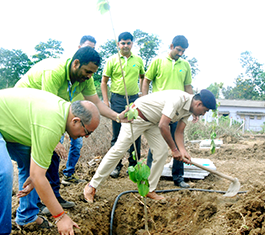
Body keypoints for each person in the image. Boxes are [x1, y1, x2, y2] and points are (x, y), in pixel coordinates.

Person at [14, 47, 128, 217]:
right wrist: (55, 142)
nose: (89, 76)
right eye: (87, 71)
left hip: (46, 115)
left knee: (50, 157)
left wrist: (117, 117)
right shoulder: (54, 72)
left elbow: (96, 102)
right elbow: (46, 108)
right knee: (32, 159)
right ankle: (32, 208)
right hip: (23, 110)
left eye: (92, 73)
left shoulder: (85, 79)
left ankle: (51, 198)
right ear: (76, 63)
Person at [0, 88, 106, 235]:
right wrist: (60, 216)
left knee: (31, 166)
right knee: (4, 173)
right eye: (87, 132)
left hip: (10, 125)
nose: (86, 137)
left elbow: (38, 169)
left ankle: (27, 217)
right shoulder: (52, 124)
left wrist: (35, 178)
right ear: (76, 121)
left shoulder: (62, 112)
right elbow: (38, 175)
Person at [84, 89, 216, 203]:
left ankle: (149, 189)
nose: (203, 114)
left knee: (161, 151)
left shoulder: (189, 110)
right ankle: (92, 186)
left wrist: (182, 151)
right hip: (137, 116)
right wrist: (174, 150)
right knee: (119, 150)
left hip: (153, 121)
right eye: (204, 111)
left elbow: (179, 132)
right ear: (198, 104)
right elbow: (163, 126)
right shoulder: (178, 99)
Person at [142, 35, 193, 188]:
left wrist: (193, 108)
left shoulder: (185, 65)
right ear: (171, 46)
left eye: (183, 51)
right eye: (178, 50)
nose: (180, 54)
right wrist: (144, 100)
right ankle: (149, 178)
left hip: (178, 111)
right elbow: (146, 80)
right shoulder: (158, 61)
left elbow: (188, 87)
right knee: (156, 145)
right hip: (160, 111)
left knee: (177, 143)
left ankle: (178, 178)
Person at [101, 32, 145, 178]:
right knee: (118, 132)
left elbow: (143, 77)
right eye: (123, 43)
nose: (125, 45)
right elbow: (104, 81)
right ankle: (116, 165)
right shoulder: (112, 60)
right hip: (117, 100)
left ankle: (134, 165)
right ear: (118, 44)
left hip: (134, 100)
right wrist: (106, 101)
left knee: (135, 133)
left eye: (128, 43)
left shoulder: (138, 60)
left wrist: (143, 95)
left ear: (132, 44)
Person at [61, 35, 97, 185]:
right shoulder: (69, 69)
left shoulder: (87, 75)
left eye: (93, 49)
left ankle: (68, 174)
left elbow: (96, 101)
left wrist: (116, 116)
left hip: (78, 116)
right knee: (55, 147)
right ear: (78, 48)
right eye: (87, 47)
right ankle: (50, 186)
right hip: (59, 115)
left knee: (77, 144)